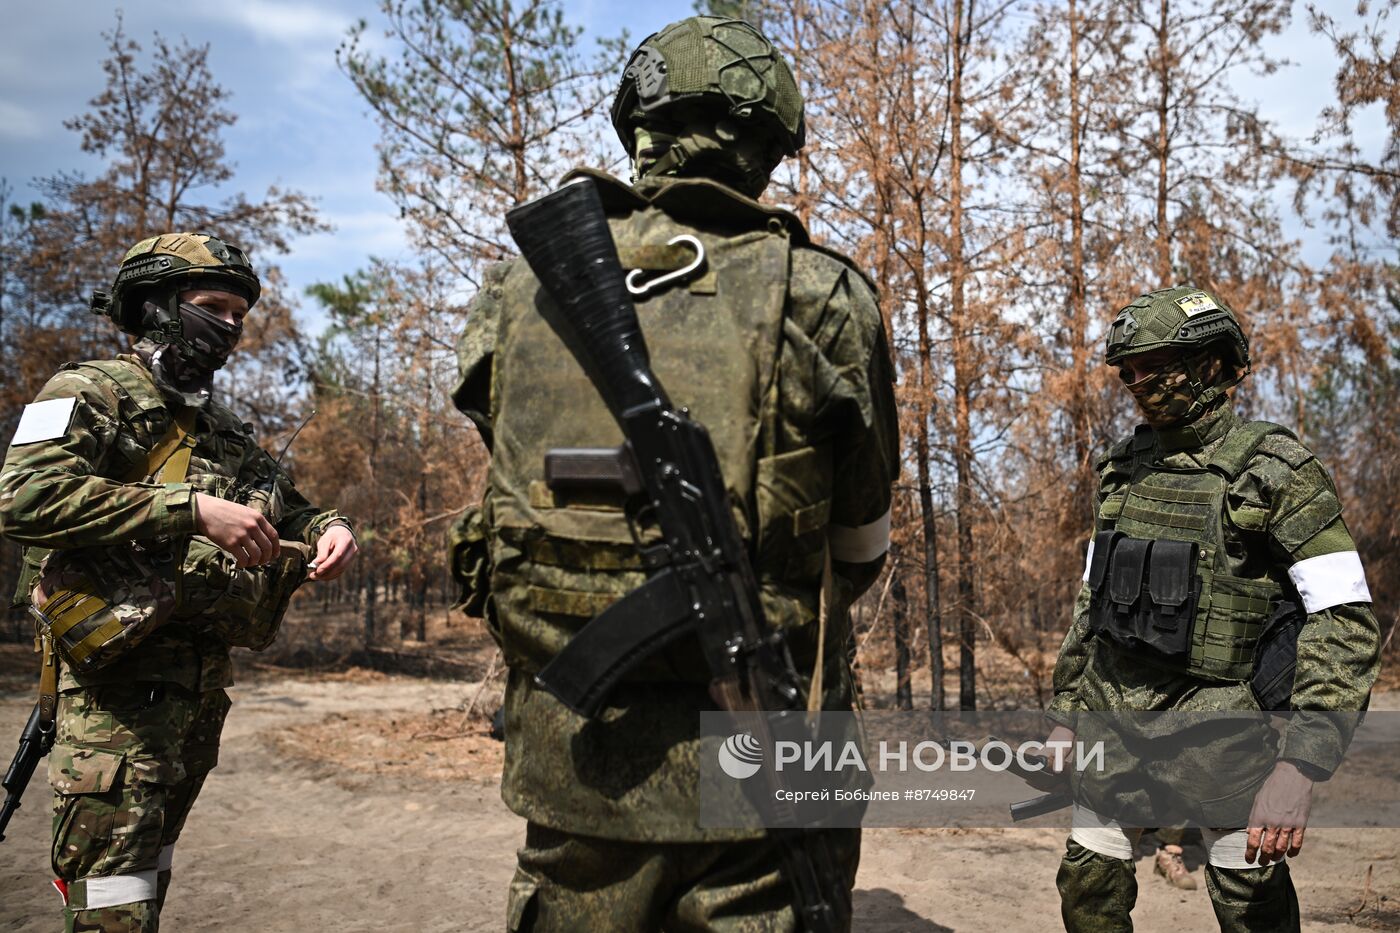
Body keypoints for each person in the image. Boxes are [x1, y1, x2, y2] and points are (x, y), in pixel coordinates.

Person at [450, 16, 899, 931]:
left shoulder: (518, 292)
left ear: (641, 123)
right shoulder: (823, 297)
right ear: (768, 140)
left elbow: (504, 490)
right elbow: (859, 535)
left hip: (577, 758)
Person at [0, 232, 357, 932]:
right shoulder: (87, 390)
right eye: (212, 305)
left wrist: (333, 529)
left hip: (194, 697)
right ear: (156, 305)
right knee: (109, 905)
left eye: (239, 313)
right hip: (113, 701)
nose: (230, 324)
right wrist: (190, 508)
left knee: (148, 877)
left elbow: (299, 504)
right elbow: (22, 496)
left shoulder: (223, 429)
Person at [1047, 285, 1381, 932]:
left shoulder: (1276, 470)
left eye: (1154, 365)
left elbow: (1344, 622)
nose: (1138, 382)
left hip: (1221, 731)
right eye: (1129, 371)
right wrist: (1066, 712)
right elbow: (1092, 602)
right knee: (1087, 890)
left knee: (1252, 908)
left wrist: (1303, 763)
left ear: (1210, 363)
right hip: (1114, 721)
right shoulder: (1120, 471)